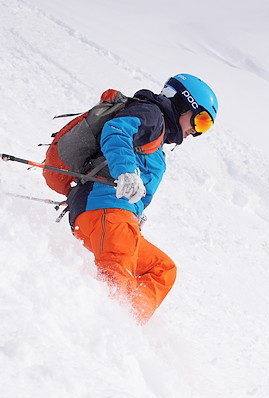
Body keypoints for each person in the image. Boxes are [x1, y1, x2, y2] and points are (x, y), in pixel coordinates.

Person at [68, 74, 218, 324]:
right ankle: (104, 329)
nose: (197, 131)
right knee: (115, 283)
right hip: (108, 210)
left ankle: (129, 323)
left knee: (162, 269)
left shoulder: (156, 137)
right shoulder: (151, 115)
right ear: (183, 103)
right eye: (201, 120)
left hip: (117, 217)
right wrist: (125, 170)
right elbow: (116, 130)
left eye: (206, 127)